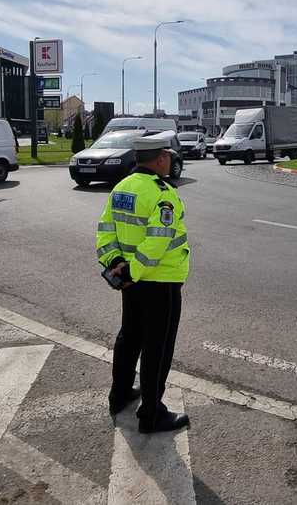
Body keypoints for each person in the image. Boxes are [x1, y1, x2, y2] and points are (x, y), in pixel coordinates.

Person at [95, 134, 190, 433]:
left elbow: (105, 231)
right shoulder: (162, 193)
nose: (170, 161)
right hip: (160, 281)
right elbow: (157, 242)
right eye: (168, 156)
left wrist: (116, 267)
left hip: (131, 283)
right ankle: (151, 414)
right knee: (157, 347)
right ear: (161, 158)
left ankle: (120, 394)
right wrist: (134, 271)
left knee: (130, 337)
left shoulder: (121, 188)